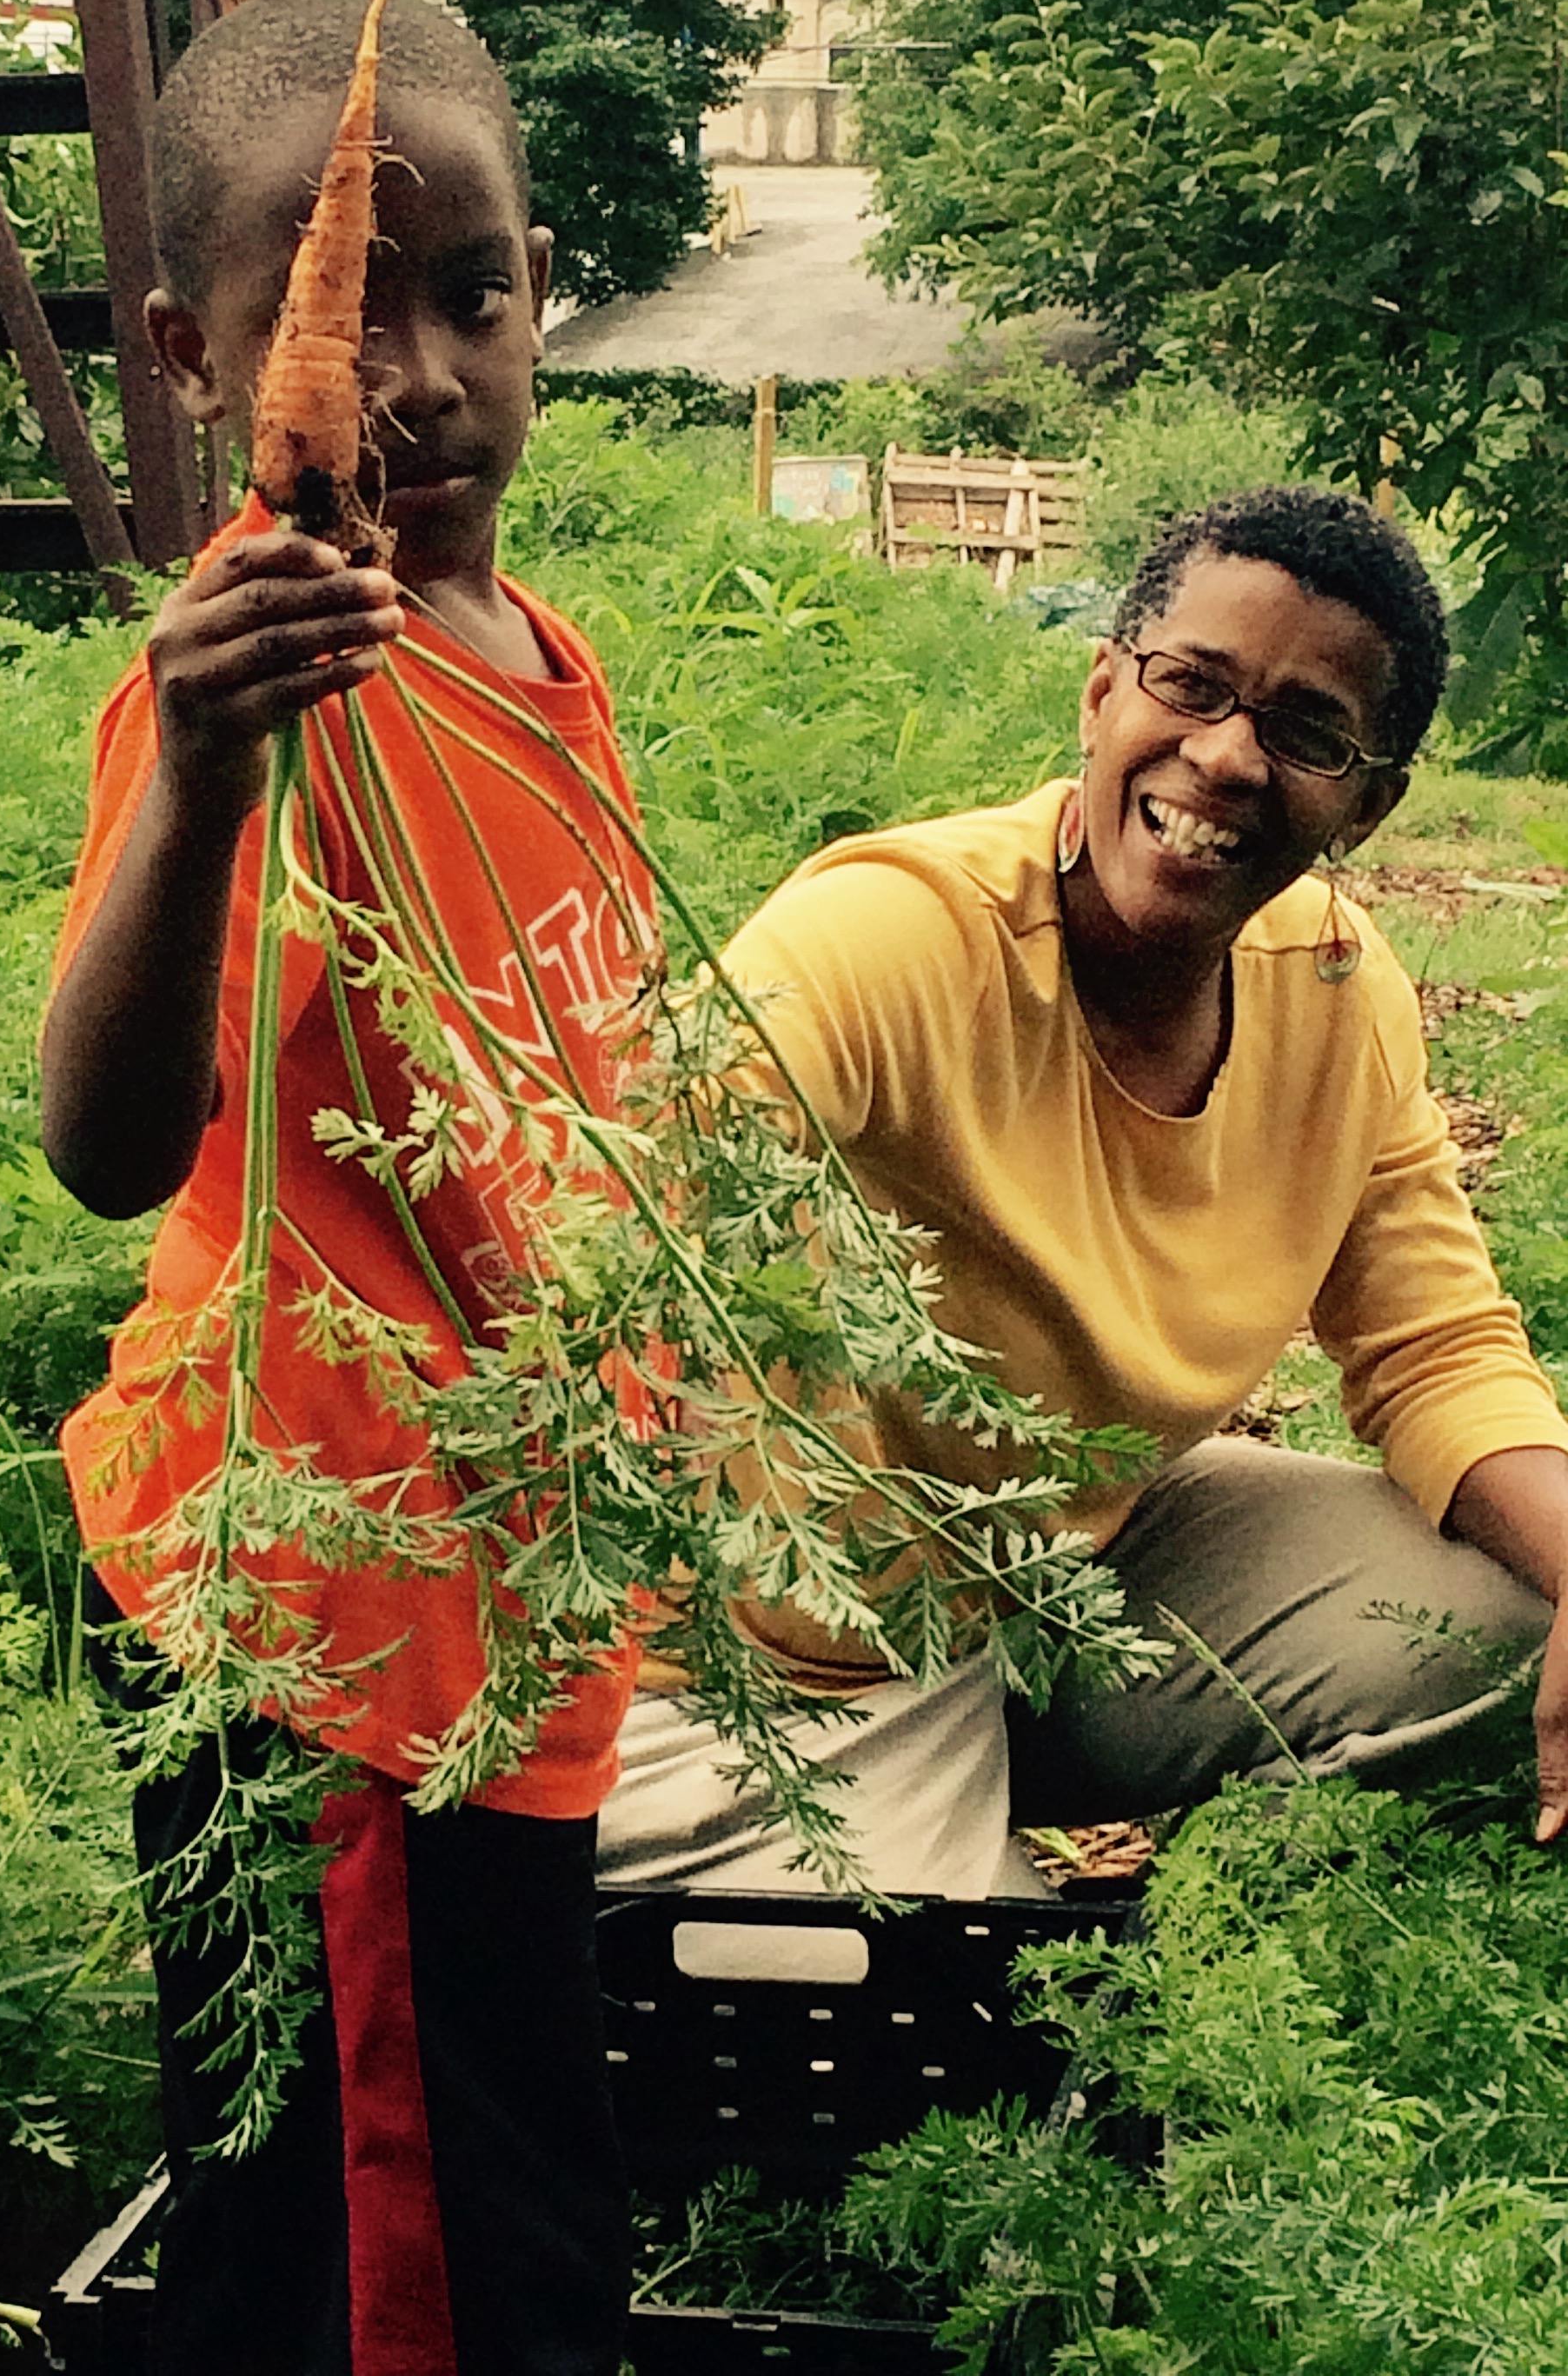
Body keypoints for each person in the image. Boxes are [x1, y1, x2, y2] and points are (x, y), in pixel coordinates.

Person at [41, 0, 655, 2376]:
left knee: (497, 2214)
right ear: (193, 359)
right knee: (391, 2280)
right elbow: (109, 1146)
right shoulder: (256, 690)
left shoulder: (534, 649)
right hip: (330, 1638)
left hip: (508, 1612)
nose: (415, 379)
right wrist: (203, 775)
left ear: (542, 295)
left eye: (472, 294)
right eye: (334, 314)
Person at [599, 488, 1568, 1902]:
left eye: (1308, 732)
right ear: (1103, 690)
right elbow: (615, 1199)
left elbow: (1439, 1350)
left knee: (1506, 1622)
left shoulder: (1338, 995)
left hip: (1069, 1577)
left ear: (1370, 802)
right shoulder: (897, 937)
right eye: (1192, 685)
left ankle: (1217, 1912)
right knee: (965, 2015)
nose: (1226, 756)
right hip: (784, 1649)